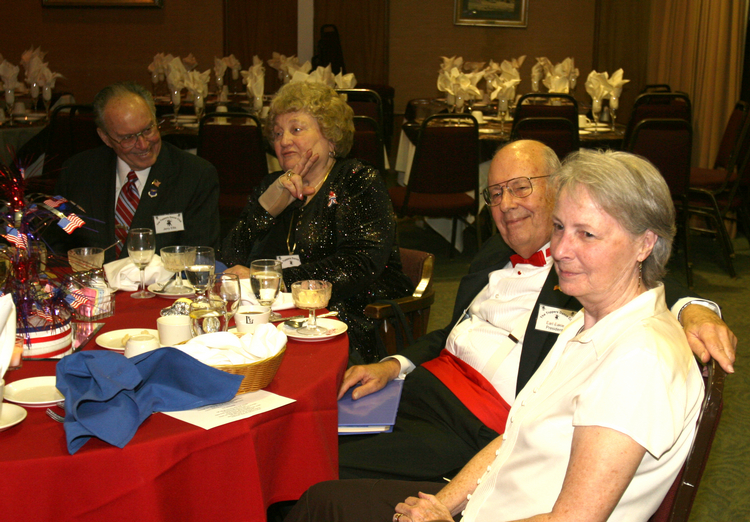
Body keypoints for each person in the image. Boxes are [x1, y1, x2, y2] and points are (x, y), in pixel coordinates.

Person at [283, 149, 707, 522]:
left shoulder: (638, 360)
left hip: (504, 505)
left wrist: (698, 308)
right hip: (484, 498)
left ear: (644, 245)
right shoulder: (586, 322)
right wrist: (440, 506)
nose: (560, 250)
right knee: (321, 496)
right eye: (560, 228)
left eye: (587, 234)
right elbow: (515, 431)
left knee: (318, 493)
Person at [220, 82, 413, 365]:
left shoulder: (356, 180)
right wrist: (267, 207)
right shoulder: (270, 186)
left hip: (348, 317)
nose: (284, 140)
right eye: (277, 133)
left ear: (330, 136)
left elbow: (359, 264)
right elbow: (229, 259)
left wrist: (274, 281)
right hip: (272, 318)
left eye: (296, 129)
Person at [53, 82, 220, 263]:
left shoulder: (195, 175)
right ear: (105, 138)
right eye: (128, 137)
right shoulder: (78, 172)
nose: (143, 145)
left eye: (148, 130)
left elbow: (200, 258)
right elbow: (59, 242)